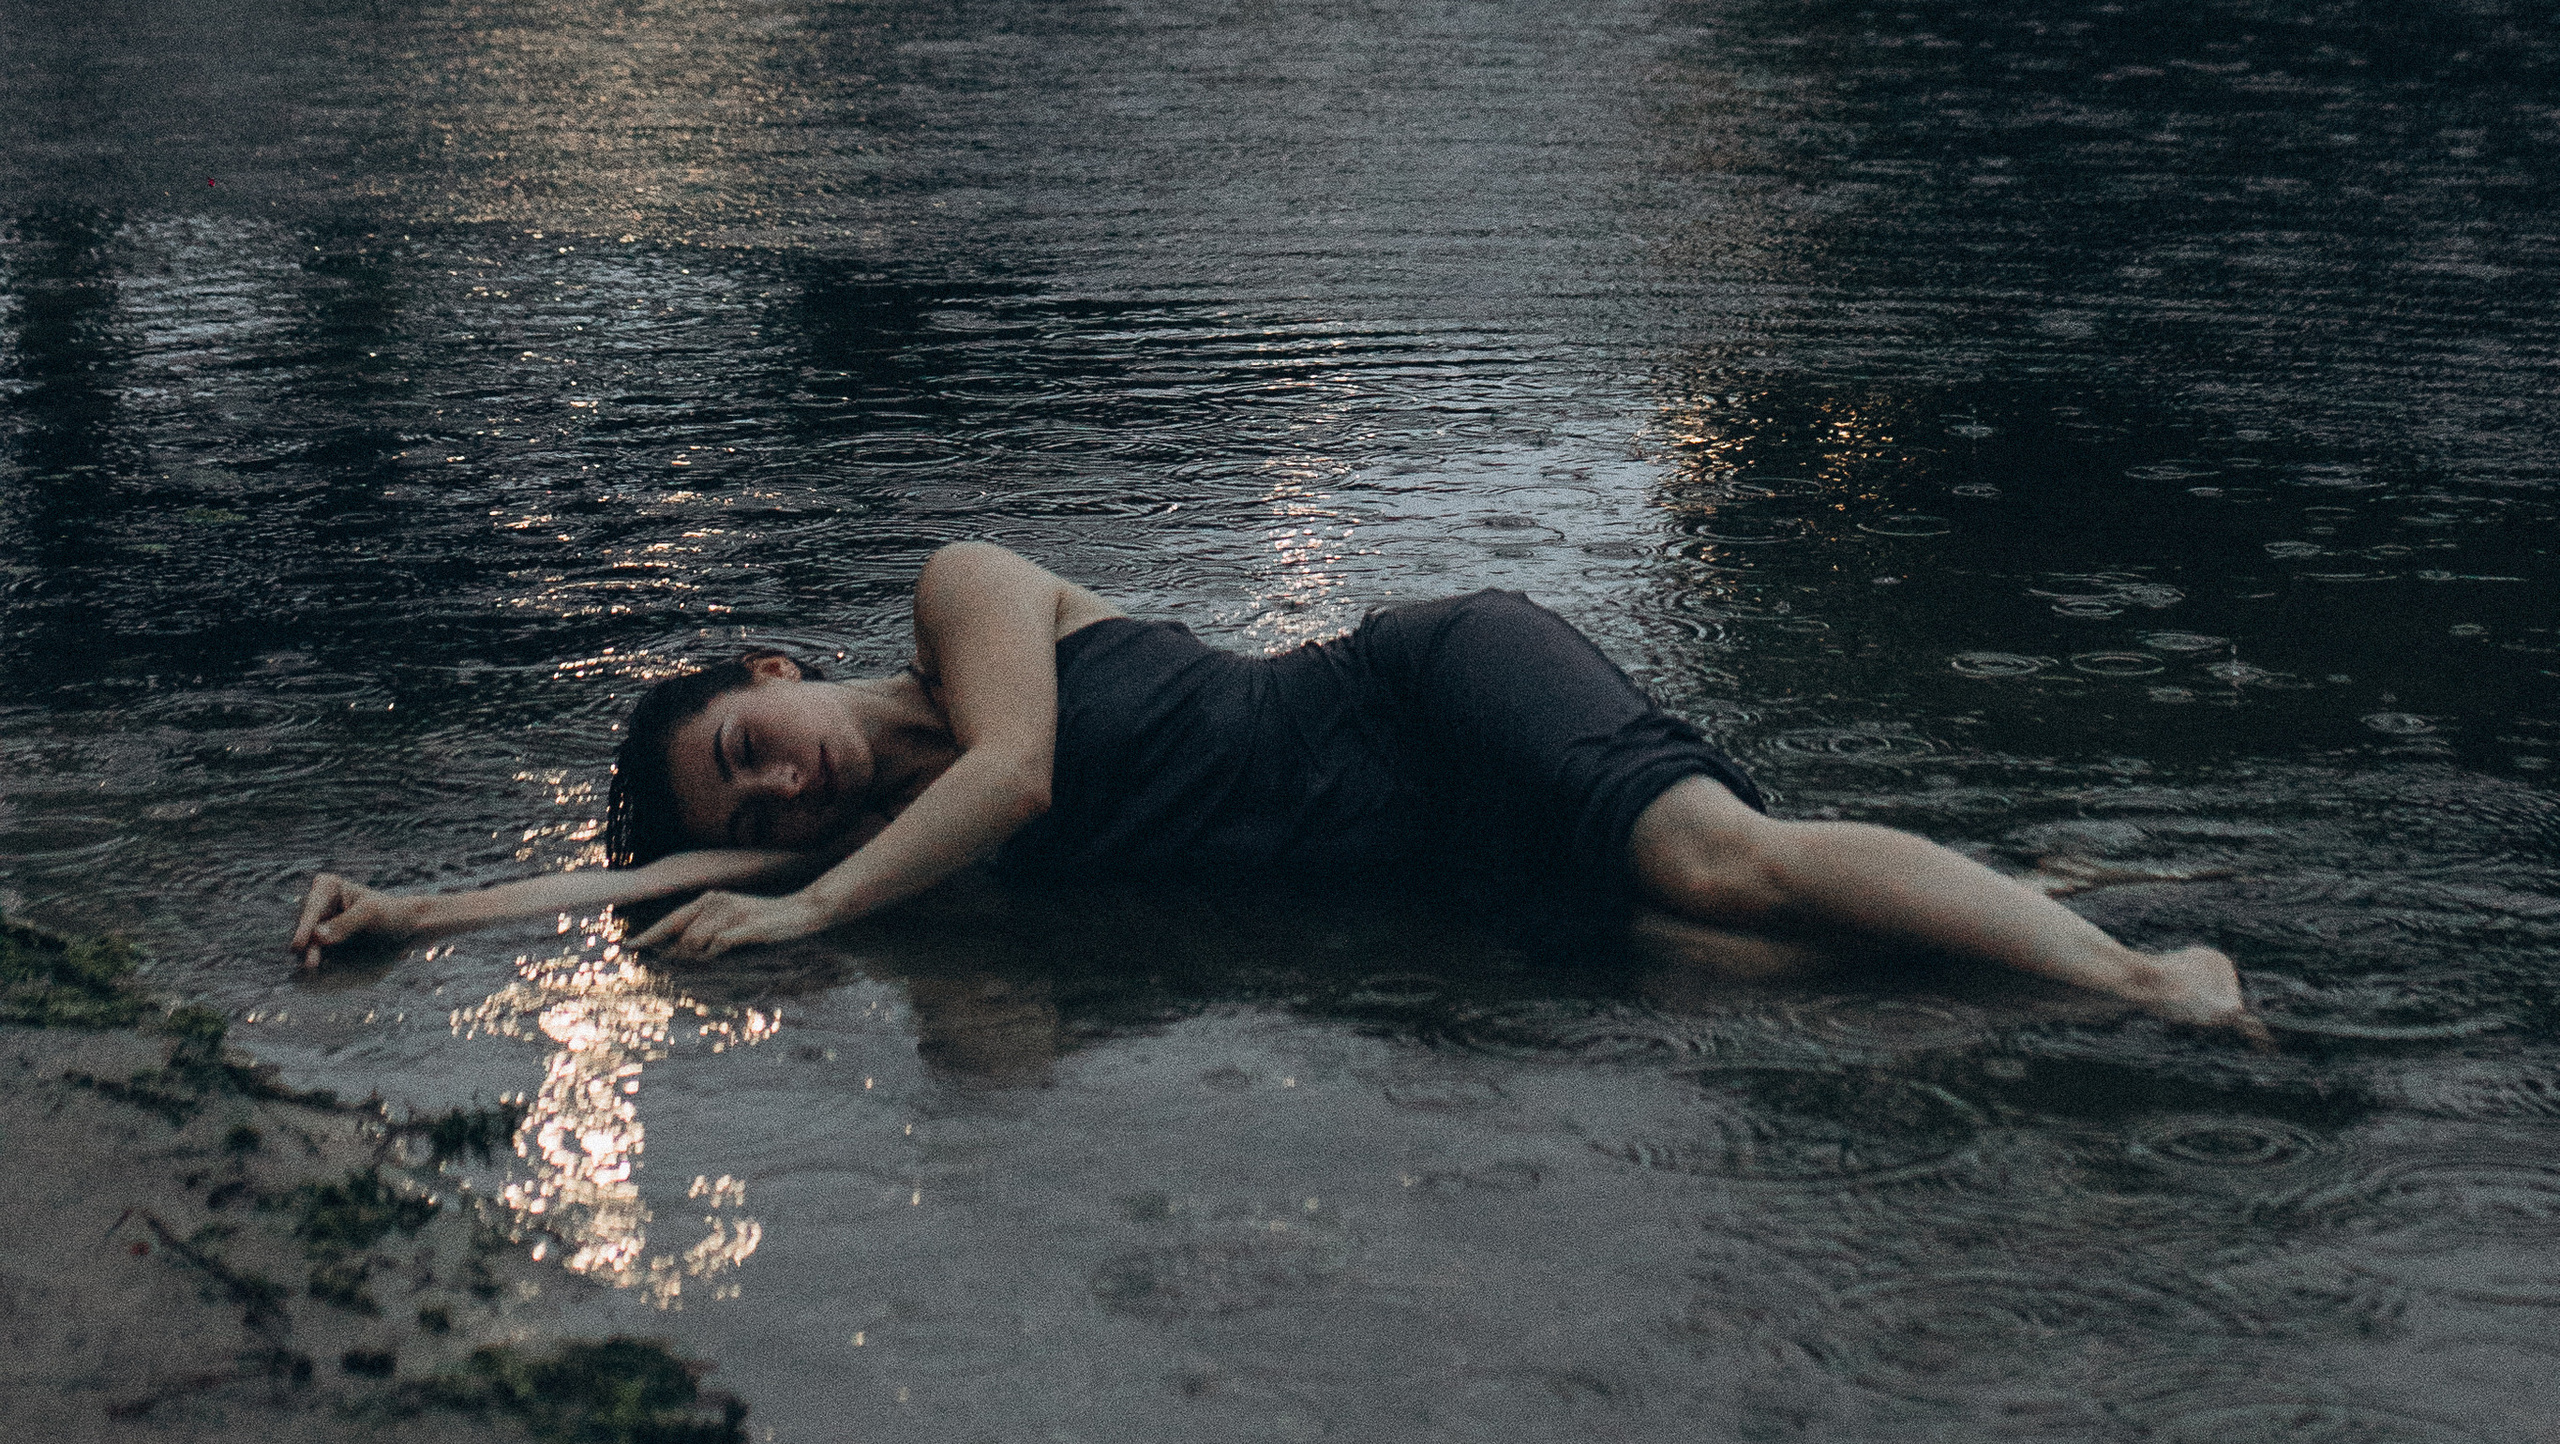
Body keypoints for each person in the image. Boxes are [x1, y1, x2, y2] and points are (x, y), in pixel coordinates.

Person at [290, 542, 2244, 1021]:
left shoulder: (962, 601)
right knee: (1760, 977)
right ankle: (2053, 898)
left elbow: (1027, 782)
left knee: (1726, 869)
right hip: (1411, 873)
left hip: (1416, 700)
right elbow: (620, 898)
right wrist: (419, 912)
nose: (781, 797)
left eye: (745, 750)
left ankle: (2154, 989)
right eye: (760, 811)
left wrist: (806, 911)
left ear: (764, 668)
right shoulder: (888, 844)